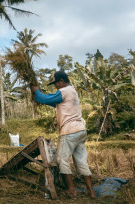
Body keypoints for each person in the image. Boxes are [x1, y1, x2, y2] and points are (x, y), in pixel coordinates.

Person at [31, 70, 95, 198]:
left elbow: (43, 98)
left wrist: (36, 91)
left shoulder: (64, 91)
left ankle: (71, 190)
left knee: (61, 160)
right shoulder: (72, 91)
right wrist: (40, 97)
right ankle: (91, 192)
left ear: (61, 81)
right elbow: (51, 102)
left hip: (69, 131)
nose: (55, 86)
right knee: (81, 162)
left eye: (56, 83)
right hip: (80, 130)